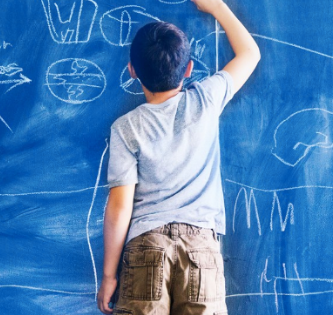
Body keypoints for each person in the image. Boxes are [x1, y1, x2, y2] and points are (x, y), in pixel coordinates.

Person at [97, 0, 260, 313]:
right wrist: (217, 7)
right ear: (188, 70)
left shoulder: (126, 128)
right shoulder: (205, 100)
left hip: (146, 243)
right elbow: (250, 54)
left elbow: (119, 206)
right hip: (201, 247)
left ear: (132, 71)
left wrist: (108, 275)